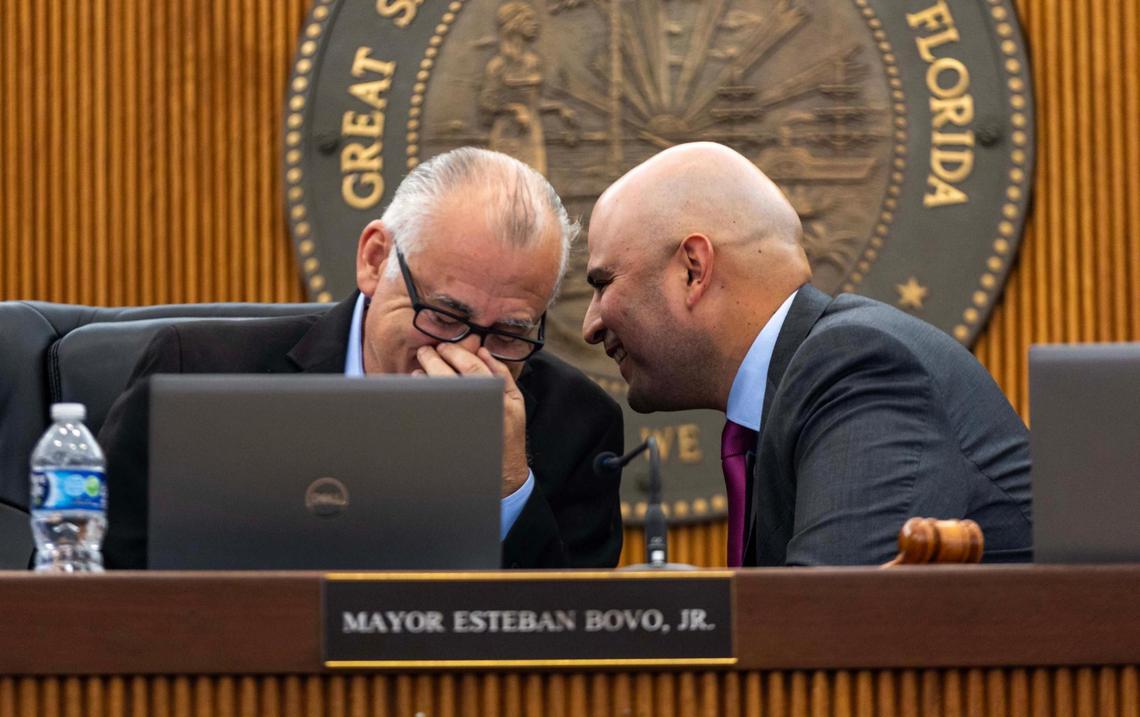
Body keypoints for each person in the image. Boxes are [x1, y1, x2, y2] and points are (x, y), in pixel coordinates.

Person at [100, 147, 623, 569]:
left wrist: (507, 486)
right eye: (443, 315)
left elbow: (570, 662)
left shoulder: (575, 425)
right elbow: (84, 596)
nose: (465, 353)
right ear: (375, 261)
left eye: (508, 333)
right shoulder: (195, 373)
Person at [580, 142, 1032, 566]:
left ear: (693, 271)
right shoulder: (794, 389)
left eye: (603, 284)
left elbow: (825, 630)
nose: (590, 326)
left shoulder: (856, 369)